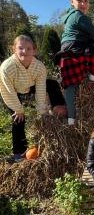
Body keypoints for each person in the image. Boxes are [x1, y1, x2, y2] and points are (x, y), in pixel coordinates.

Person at [0, 35, 65, 163]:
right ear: (14, 49)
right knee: (18, 119)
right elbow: (7, 90)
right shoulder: (7, 67)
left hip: (29, 86)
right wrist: (18, 109)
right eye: (21, 48)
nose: (25, 51)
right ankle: (19, 153)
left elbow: (41, 89)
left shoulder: (39, 67)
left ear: (34, 51)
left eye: (29, 48)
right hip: (11, 91)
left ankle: (59, 107)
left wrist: (42, 112)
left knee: (52, 83)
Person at [57, 0, 94, 125]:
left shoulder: (69, 16)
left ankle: (71, 119)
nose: (84, 4)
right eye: (80, 1)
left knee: (70, 85)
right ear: (72, 2)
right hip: (76, 47)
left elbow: (89, 36)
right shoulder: (79, 16)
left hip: (66, 49)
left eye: (86, 1)